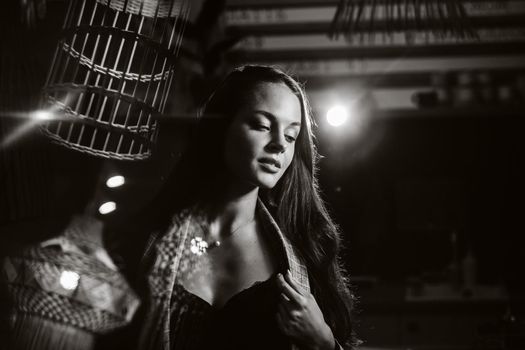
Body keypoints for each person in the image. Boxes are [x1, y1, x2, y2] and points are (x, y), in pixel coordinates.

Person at [138, 65, 358, 350]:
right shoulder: (148, 242)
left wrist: (324, 342)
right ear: (222, 128)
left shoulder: (303, 249)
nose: (279, 144)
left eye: (291, 136)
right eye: (263, 126)